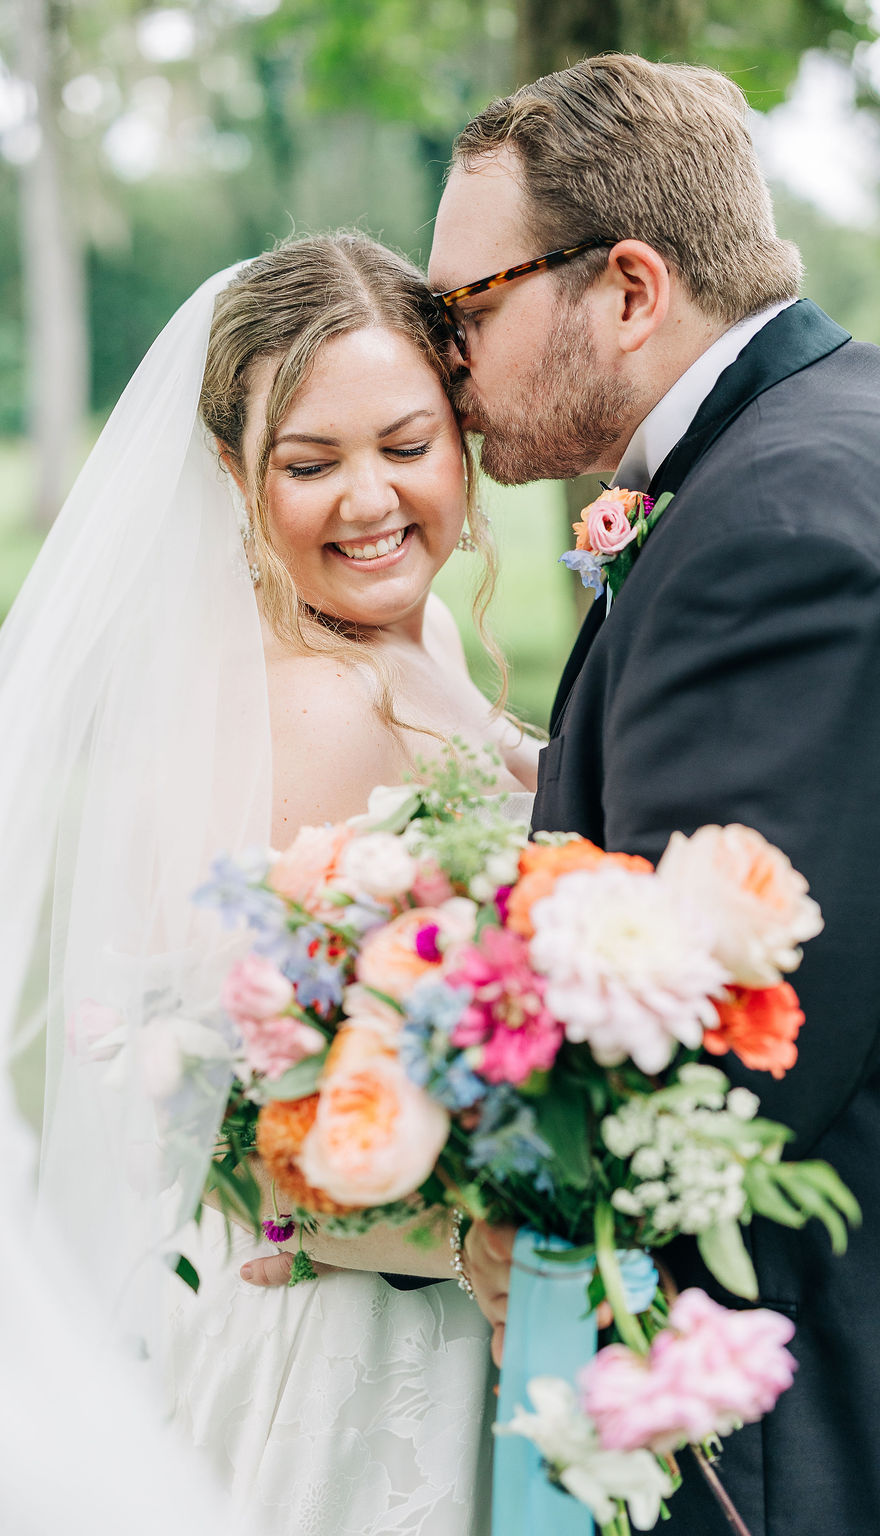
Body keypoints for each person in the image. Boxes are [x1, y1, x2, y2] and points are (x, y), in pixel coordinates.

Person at [0, 233, 535, 1536]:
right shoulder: (307, 708)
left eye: (406, 445)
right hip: (365, 1353)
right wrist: (472, 1244)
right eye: (310, 462)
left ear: (464, 429)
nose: (369, 501)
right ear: (234, 471)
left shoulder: (425, 632)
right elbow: (236, 1121)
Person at [427, 53, 880, 1536]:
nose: (446, 360)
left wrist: (506, 1219)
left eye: (468, 307)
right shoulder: (810, 441)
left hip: (781, 1409)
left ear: (628, 289)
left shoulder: (769, 530)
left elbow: (738, 1051)